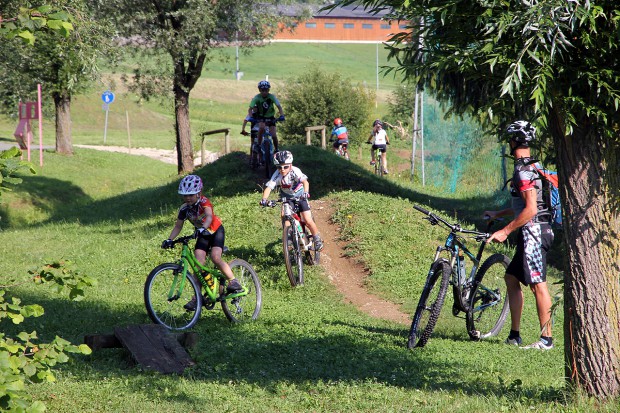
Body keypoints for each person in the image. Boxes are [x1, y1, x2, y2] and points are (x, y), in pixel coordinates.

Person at [484, 120, 555, 350]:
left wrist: (505, 231)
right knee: (512, 278)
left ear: (513, 141)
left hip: (534, 232)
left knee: (538, 284)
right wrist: (499, 213)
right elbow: (524, 205)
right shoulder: (533, 166)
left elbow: (531, 209)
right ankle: (514, 335)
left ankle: (546, 340)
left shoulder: (523, 171)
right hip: (534, 230)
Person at [161, 174, 242, 311]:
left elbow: (209, 216)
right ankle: (196, 298)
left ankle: (233, 281)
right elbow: (178, 226)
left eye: (191, 195)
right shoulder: (184, 209)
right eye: (185, 195)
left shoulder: (204, 202)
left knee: (215, 257)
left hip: (215, 231)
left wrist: (203, 228)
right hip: (202, 234)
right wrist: (170, 239)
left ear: (198, 193)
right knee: (198, 265)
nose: (187, 198)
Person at [259, 150, 324, 251]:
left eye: (285, 166)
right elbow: (269, 187)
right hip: (287, 197)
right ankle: (288, 237)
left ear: (291, 165)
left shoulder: (295, 171)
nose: (282, 169)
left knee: (307, 219)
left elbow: (305, 182)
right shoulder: (277, 174)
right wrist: (264, 199)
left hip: (300, 195)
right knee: (284, 215)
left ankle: (317, 238)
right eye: (279, 167)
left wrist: (306, 192)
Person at [249, 80, 285, 152]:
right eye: (263, 90)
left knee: (274, 135)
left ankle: (276, 149)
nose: (264, 92)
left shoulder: (272, 97)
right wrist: (251, 117)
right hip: (261, 117)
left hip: (271, 117)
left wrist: (282, 115)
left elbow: (279, 106)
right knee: (261, 127)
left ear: (268, 90)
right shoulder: (257, 98)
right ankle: (258, 145)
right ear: (259, 90)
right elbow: (250, 109)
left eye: (266, 90)